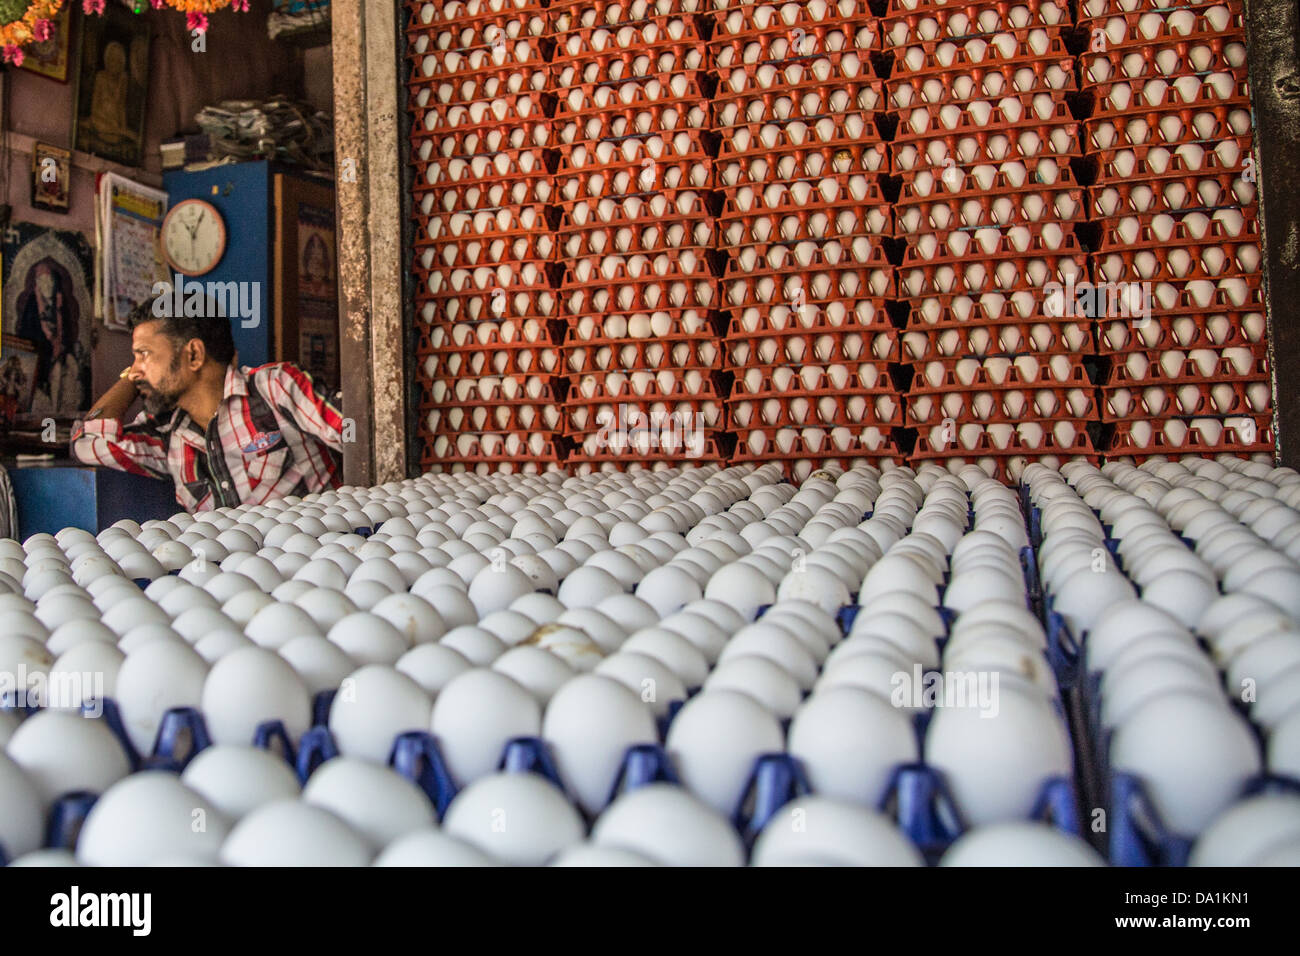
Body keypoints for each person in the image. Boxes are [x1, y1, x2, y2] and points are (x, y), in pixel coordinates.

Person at [71, 294, 345, 512]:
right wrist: (134, 376)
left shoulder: (275, 390)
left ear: (193, 355)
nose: (135, 370)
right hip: (227, 579)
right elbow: (86, 442)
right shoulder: (167, 434)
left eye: (144, 354)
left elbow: (363, 433)